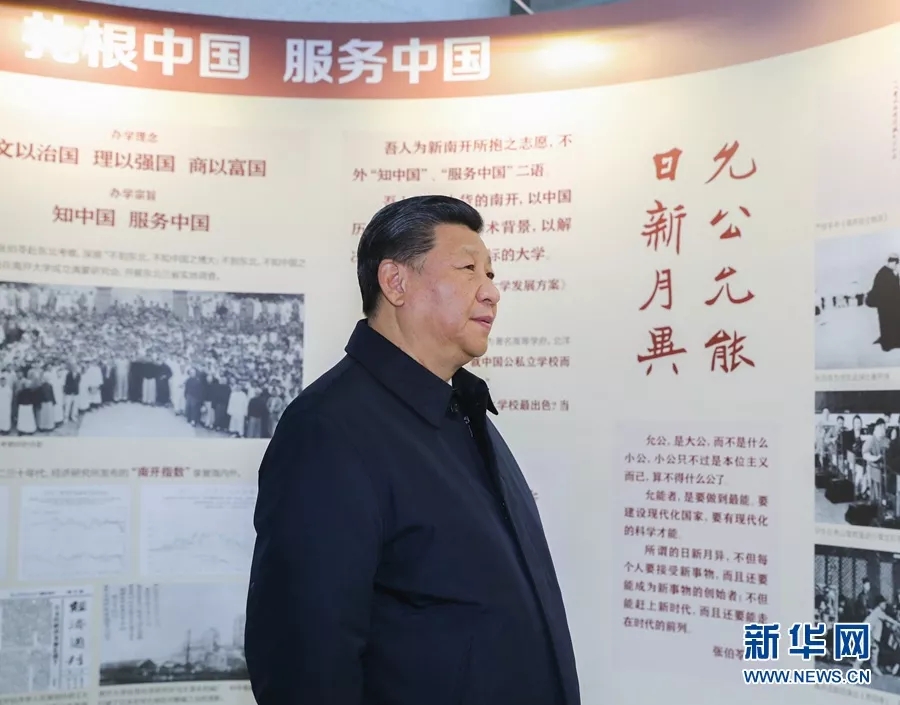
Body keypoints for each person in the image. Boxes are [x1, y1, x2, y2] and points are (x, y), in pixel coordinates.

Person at [245, 195, 580, 705]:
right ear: (395, 282)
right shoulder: (328, 431)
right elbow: (303, 663)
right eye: (468, 269)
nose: (491, 292)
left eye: (491, 273)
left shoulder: (463, 409)